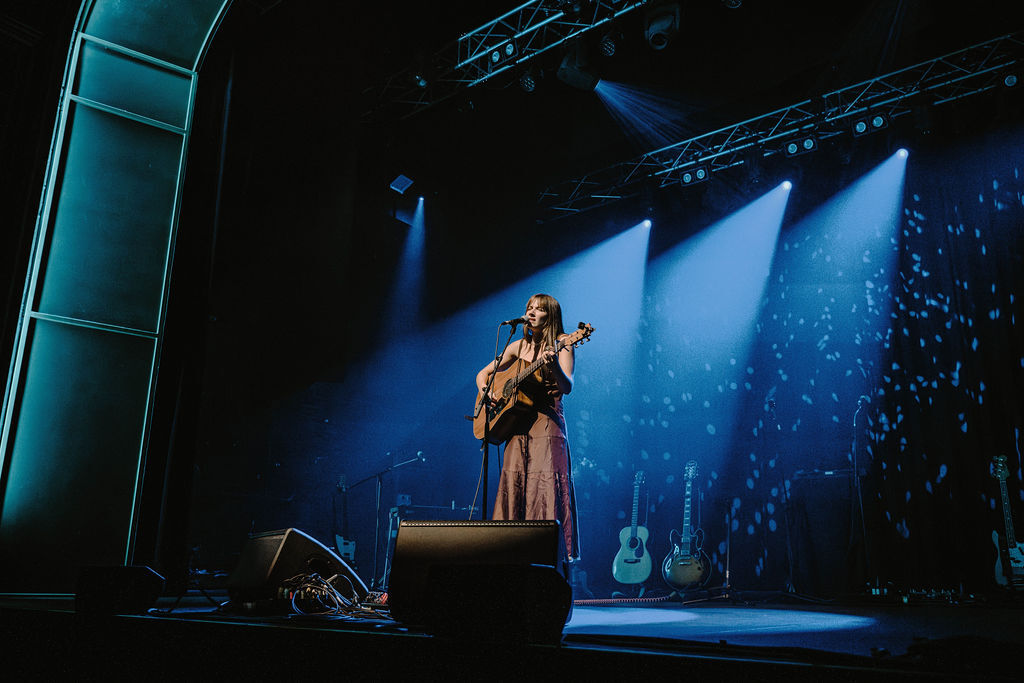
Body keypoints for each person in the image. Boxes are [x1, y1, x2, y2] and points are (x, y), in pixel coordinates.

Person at [475, 293, 580, 561]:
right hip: (517, 426)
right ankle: (509, 554)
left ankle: (548, 555)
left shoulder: (563, 343)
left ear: (550, 315)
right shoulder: (518, 346)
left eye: (539, 309)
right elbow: (482, 374)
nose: (531, 312)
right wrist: (486, 390)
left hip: (547, 426)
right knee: (515, 485)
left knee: (545, 489)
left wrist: (554, 365)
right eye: (529, 308)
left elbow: (567, 386)